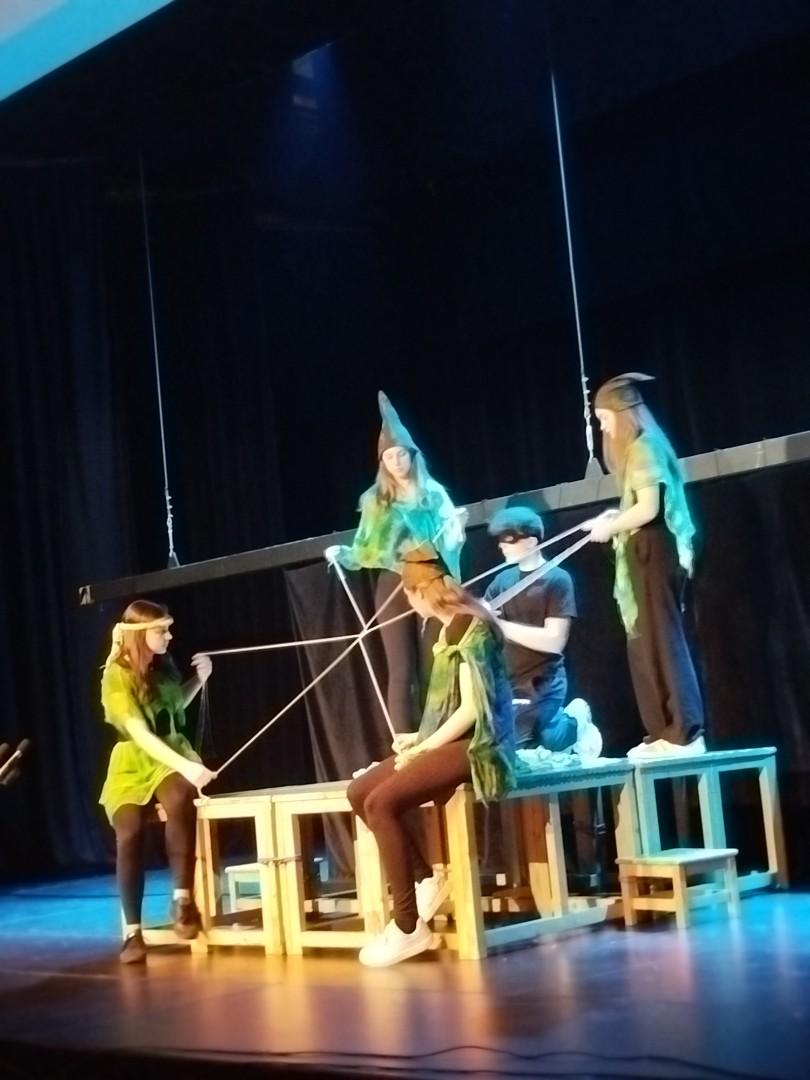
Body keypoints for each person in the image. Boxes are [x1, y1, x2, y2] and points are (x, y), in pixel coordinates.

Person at [347, 544, 515, 967]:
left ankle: (407, 927)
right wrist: (417, 738)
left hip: (480, 745)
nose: (410, 605)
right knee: (359, 791)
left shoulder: (471, 627)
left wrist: (426, 746)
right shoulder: (447, 630)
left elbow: (472, 709)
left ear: (420, 593)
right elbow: (446, 706)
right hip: (450, 739)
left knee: (381, 803)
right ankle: (426, 879)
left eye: (408, 596)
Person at [325, 391, 466, 733]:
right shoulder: (375, 501)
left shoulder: (434, 494)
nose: (397, 462)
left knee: (437, 659)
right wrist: (343, 554)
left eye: (401, 454)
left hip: (433, 579)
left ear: (412, 455)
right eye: (390, 456)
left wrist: (457, 529)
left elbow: (451, 543)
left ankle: (438, 735)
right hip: (395, 581)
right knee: (402, 670)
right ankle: (403, 741)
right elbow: (364, 546)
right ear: (382, 462)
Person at [582, 372, 705, 758]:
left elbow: (649, 509)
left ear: (623, 414)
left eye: (605, 419)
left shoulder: (644, 447)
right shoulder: (640, 447)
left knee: (664, 639)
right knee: (647, 641)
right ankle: (663, 730)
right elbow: (638, 506)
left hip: (655, 551)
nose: (604, 428)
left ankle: (686, 732)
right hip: (644, 551)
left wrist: (611, 527)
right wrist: (613, 518)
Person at [99, 599, 217, 964]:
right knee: (129, 831)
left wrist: (198, 680)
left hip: (168, 755)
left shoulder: (164, 668)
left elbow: (172, 709)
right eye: (161, 630)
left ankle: (183, 899)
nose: (169, 636)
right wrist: (187, 765)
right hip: (134, 761)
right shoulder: (116, 675)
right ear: (139, 634)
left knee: (179, 796)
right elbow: (139, 732)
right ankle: (133, 933)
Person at [483, 507, 602, 760]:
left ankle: (576, 719)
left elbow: (554, 641)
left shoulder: (557, 579)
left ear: (531, 541)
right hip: (512, 681)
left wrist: (500, 626)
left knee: (549, 738)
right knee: (517, 745)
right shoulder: (500, 582)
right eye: (500, 540)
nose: (502, 546)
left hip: (545, 681)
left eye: (509, 539)